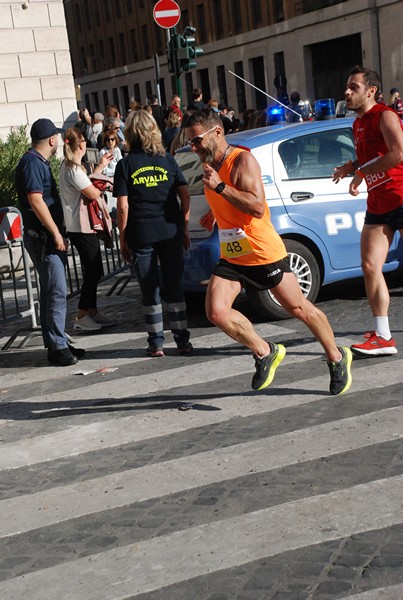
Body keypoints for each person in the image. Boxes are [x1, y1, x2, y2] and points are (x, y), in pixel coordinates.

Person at [185, 109, 352, 394]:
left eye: (197, 140)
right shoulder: (209, 165)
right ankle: (265, 351)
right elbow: (228, 201)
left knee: (298, 308)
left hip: (263, 253)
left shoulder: (243, 161)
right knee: (216, 311)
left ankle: (337, 357)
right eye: (191, 142)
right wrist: (215, 213)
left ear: (217, 133)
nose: (194, 147)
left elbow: (257, 206)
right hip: (234, 254)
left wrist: (221, 188)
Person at [333, 67, 403, 356]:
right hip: (378, 205)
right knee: (370, 266)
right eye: (347, 87)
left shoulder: (385, 115)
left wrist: (360, 173)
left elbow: (398, 153)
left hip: (401, 197)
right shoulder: (357, 124)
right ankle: (384, 336)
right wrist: (353, 166)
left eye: (353, 87)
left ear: (371, 91)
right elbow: (370, 156)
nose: (347, 92)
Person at [114, 109, 192, 357]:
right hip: (170, 231)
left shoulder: (125, 165)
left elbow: (123, 206)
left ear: (130, 134)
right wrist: (185, 225)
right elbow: (184, 193)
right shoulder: (168, 161)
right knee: (174, 285)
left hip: (142, 232)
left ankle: (156, 342)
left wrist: (123, 238)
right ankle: (182, 340)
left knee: (150, 289)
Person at [15, 118, 85, 366]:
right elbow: (36, 200)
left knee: (50, 292)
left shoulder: (35, 162)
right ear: (52, 140)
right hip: (44, 238)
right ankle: (57, 347)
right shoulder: (33, 163)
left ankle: (57, 342)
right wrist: (56, 232)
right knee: (56, 292)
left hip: (43, 237)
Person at [59, 127, 117, 331]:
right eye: (83, 141)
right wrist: (103, 183)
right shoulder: (73, 169)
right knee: (93, 269)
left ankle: (91, 311)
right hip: (79, 226)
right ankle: (83, 313)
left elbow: (88, 184)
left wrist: (100, 168)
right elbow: (92, 192)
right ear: (81, 144)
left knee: (94, 268)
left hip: (80, 225)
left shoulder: (71, 167)